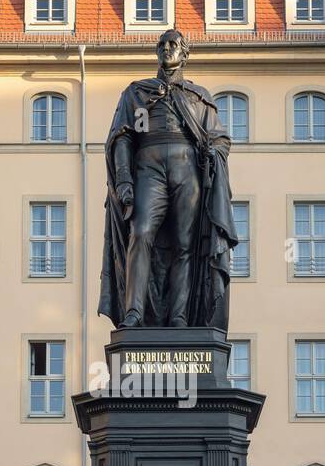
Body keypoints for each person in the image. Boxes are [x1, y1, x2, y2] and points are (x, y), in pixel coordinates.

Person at [98, 29, 238, 330]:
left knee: (185, 244)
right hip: (149, 165)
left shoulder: (198, 97)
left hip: (187, 169)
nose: (166, 48)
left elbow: (220, 138)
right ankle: (133, 311)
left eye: (174, 44)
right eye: (161, 44)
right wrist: (123, 180)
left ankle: (179, 316)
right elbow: (122, 138)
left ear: (184, 54)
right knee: (141, 231)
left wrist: (214, 152)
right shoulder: (137, 92)